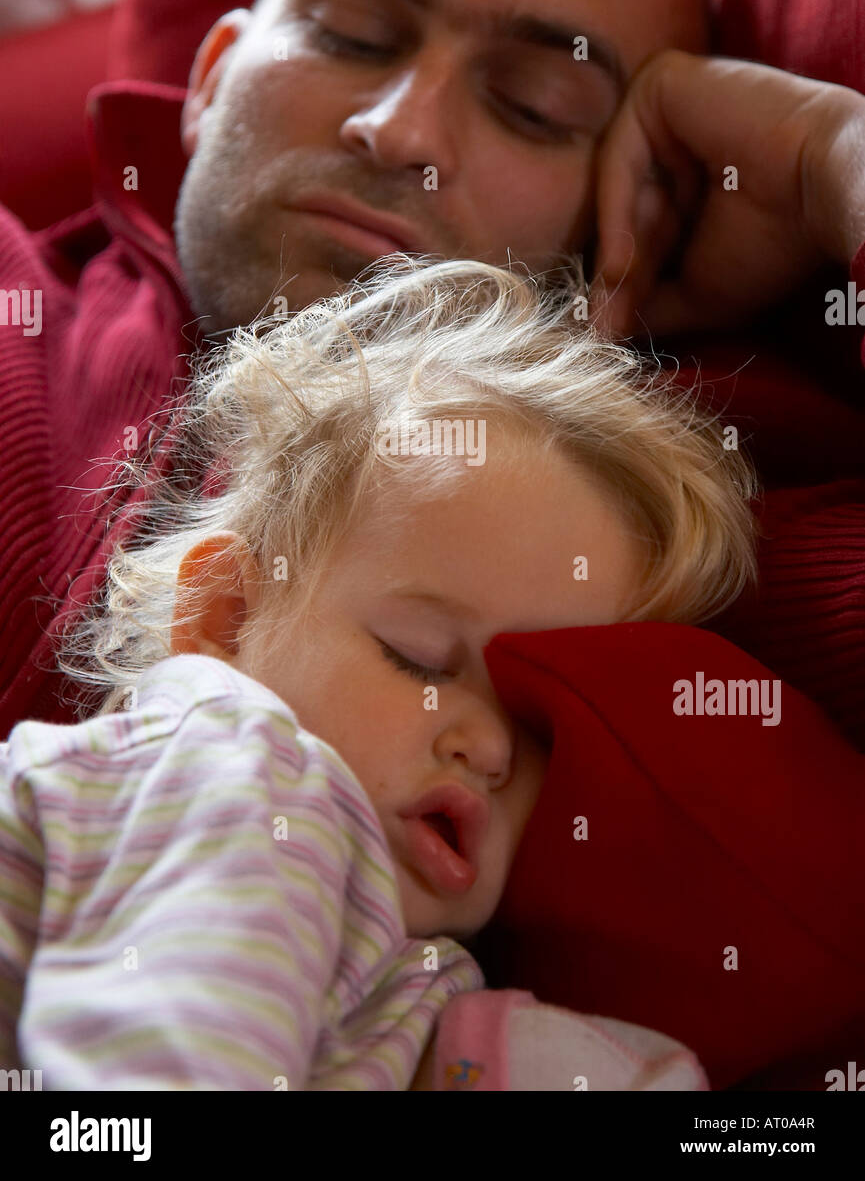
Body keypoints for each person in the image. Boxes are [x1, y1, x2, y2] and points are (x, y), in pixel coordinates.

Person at [1, 0, 863, 742]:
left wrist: (833, 155)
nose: (403, 130)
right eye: (353, 35)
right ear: (211, 81)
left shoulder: (693, 515)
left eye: (531, 106)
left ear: (640, 209)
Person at [0, 258, 755, 1089]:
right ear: (227, 619)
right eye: (419, 658)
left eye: (540, 725)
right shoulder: (239, 767)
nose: (488, 747)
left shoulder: (413, 978)